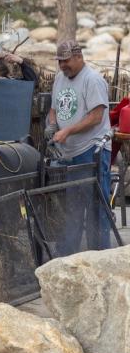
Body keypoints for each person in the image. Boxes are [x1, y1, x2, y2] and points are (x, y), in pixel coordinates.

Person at [46, 40, 113, 248]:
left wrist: (67, 130)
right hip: (70, 153)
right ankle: (70, 255)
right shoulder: (59, 79)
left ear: (78, 57)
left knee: (96, 205)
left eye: (66, 61)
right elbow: (54, 109)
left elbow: (96, 117)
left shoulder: (92, 80)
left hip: (91, 150)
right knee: (73, 206)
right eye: (59, 62)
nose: (62, 65)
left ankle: (100, 254)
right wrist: (52, 125)